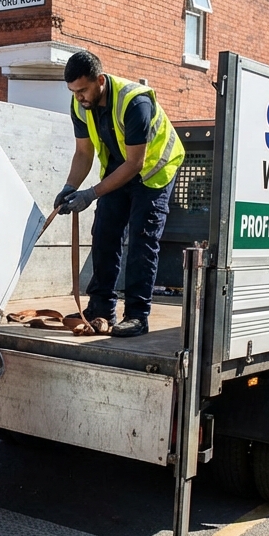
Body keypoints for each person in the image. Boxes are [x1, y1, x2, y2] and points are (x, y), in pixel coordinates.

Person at [57, 50, 184, 338]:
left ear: (100, 80)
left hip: (153, 172)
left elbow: (135, 163)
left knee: (141, 242)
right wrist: (70, 187)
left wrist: (91, 193)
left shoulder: (134, 102)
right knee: (104, 235)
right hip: (119, 170)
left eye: (83, 90)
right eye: (73, 92)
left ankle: (138, 316)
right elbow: (83, 151)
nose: (79, 98)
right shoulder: (80, 106)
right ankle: (101, 308)